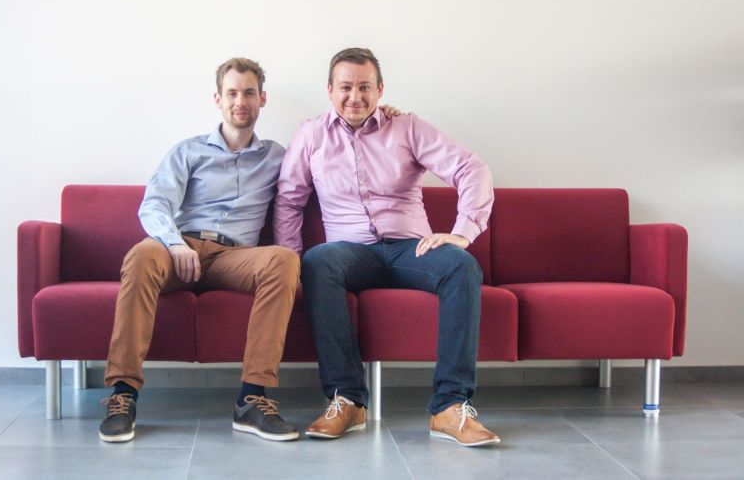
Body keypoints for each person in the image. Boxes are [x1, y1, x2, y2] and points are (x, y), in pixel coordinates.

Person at [274, 48, 500, 447]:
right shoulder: (311, 135)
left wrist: (462, 233)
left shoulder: (407, 127)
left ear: (380, 90)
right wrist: (289, 259)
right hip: (349, 253)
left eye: (364, 87)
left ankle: (450, 407)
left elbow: (472, 168)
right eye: (345, 87)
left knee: (461, 265)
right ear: (330, 90)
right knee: (317, 261)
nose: (355, 96)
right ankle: (347, 401)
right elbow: (289, 200)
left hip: (411, 249)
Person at [100, 57, 302, 443]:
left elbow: (324, 151)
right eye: (232, 93)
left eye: (249, 93)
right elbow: (154, 205)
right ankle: (123, 395)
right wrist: (176, 244)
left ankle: (252, 398)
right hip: (183, 246)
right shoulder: (188, 151)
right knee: (141, 255)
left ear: (262, 99)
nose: (240, 101)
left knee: (284, 259)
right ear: (218, 99)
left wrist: (384, 116)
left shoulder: (278, 156)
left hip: (235, 257)